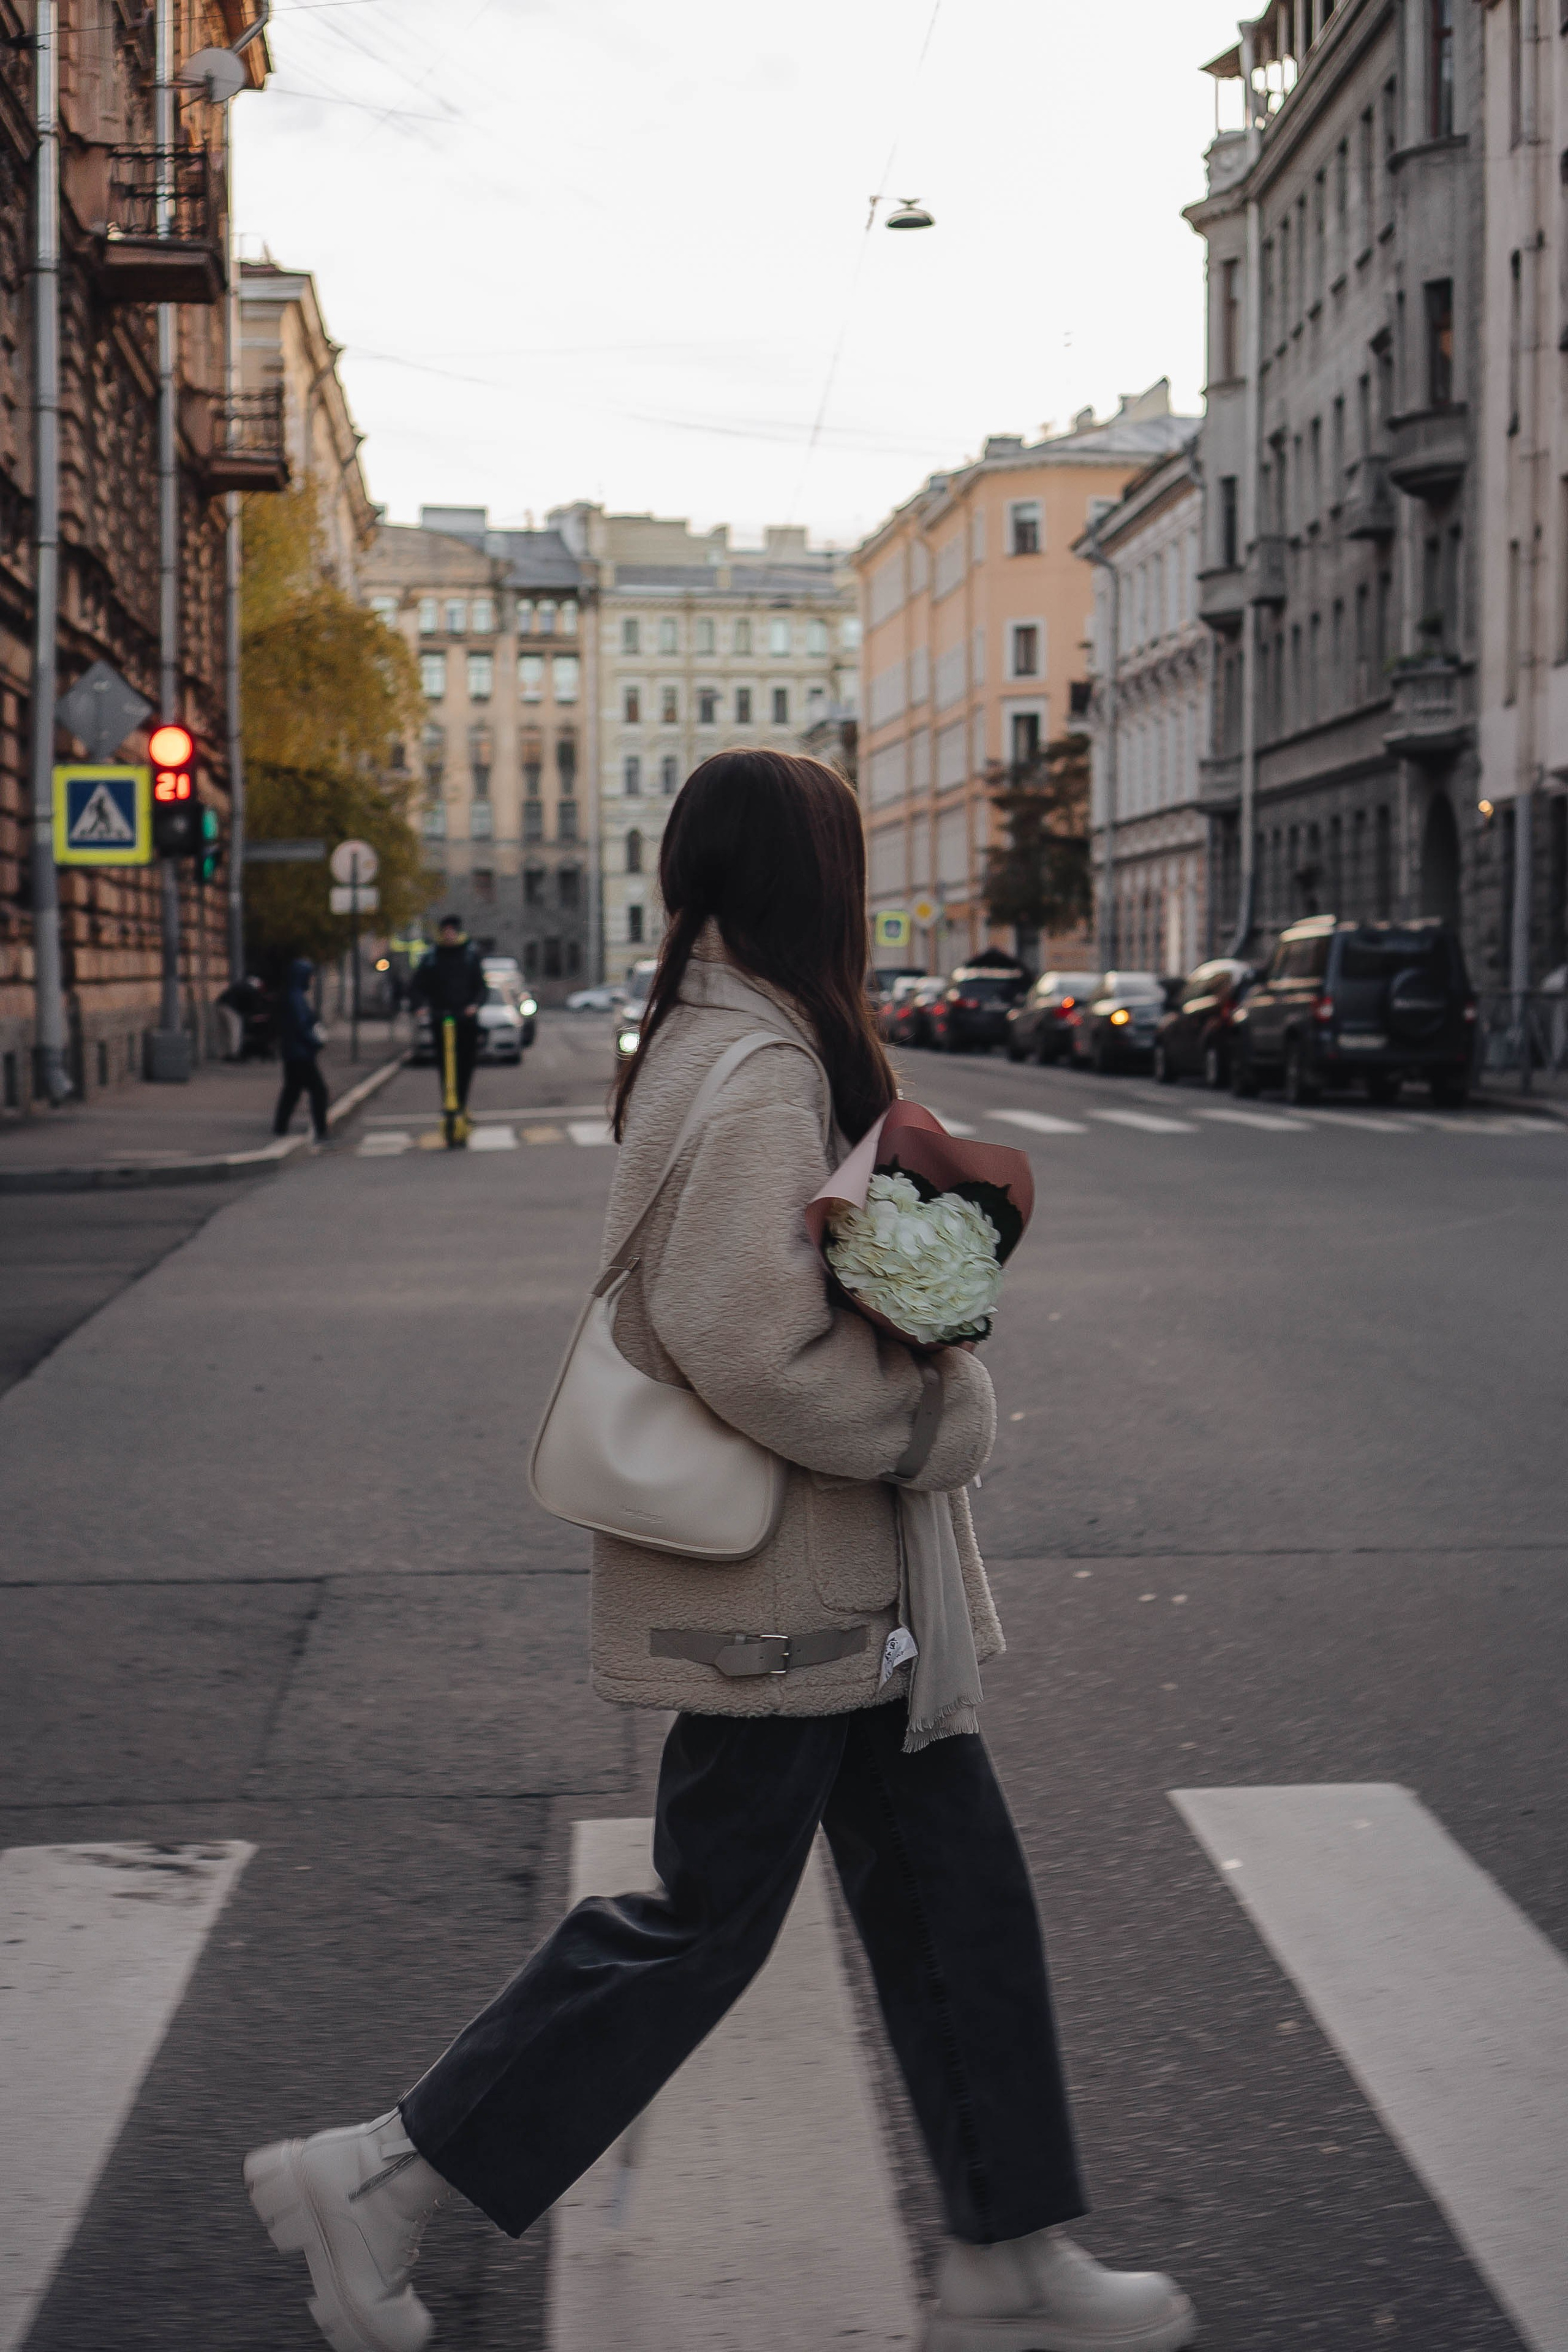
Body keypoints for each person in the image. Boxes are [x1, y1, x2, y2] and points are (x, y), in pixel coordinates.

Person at [243, 752, 1196, 2352]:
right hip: (795, 1597)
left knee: (957, 1897)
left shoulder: (728, 1041)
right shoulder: (755, 1075)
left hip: (845, 1601)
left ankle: (1007, 2252)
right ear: (812, 883)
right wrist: (930, 1417)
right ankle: (385, 2177)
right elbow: (745, 1343)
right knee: (698, 1924)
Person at [410, 916, 484, 1135]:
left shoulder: (470, 956)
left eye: (453, 931)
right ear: (442, 934)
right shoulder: (432, 957)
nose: (449, 934)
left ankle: (461, 1104)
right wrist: (420, 1006)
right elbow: (417, 986)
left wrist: (475, 1005)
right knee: (445, 1064)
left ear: (458, 933)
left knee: (465, 1064)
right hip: (440, 1019)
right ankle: (449, 1105)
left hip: (466, 1020)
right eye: (446, 931)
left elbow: (481, 987)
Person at [271, 957, 330, 1145]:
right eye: (309, 976)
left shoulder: (292, 994)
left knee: (292, 1090)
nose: (311, 980)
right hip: (300, 1053)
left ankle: (280, 1126)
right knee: (318, 1091)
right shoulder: (295, 997)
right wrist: (315, 1042)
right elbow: (302, 1025)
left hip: (295, 1052)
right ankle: (321, 1130)